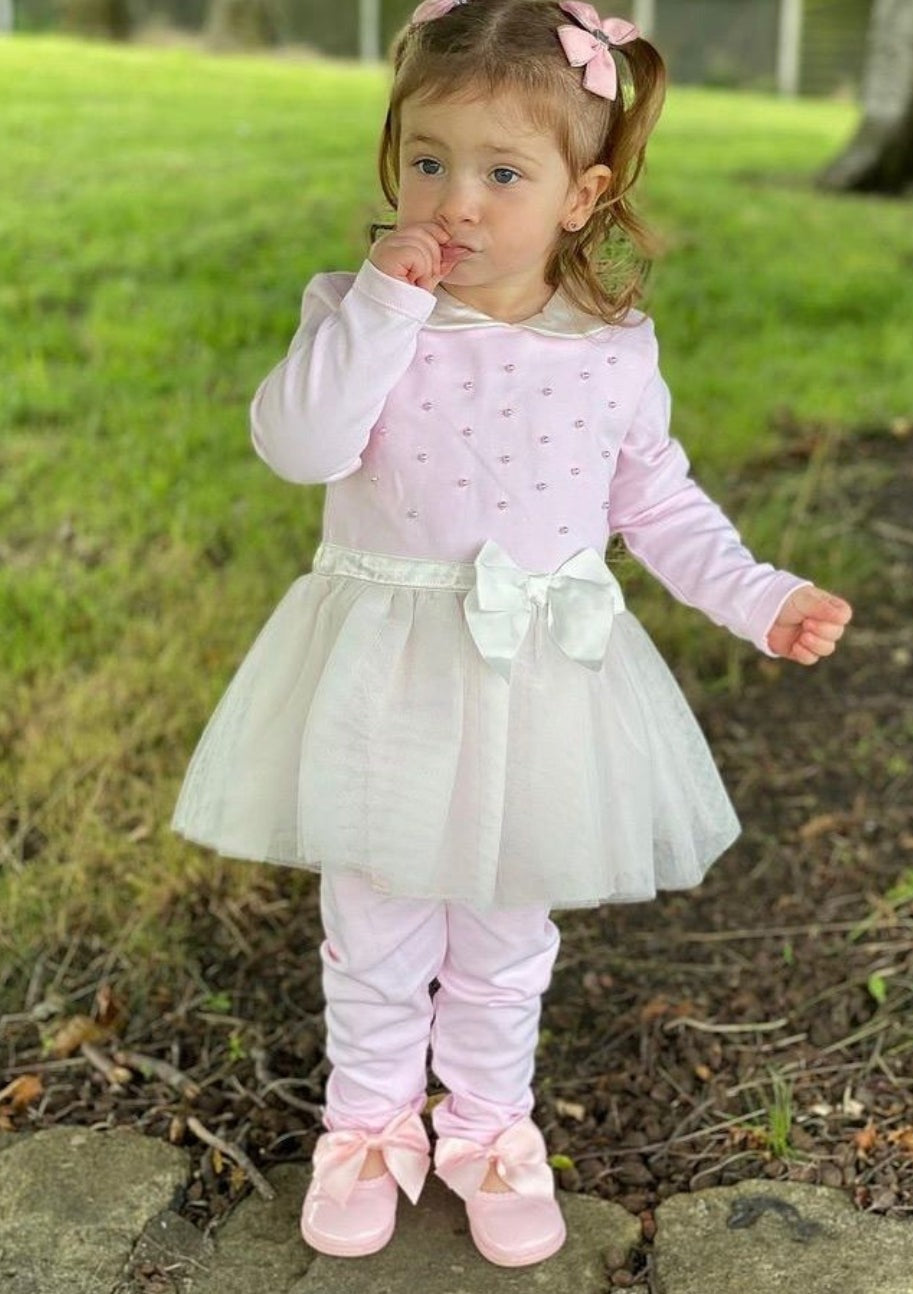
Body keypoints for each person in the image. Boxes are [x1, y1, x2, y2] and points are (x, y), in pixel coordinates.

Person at [171, 0, 852, 1269]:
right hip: (386, 671)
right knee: (375, 921)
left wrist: (758, 594)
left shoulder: (607, 351)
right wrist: (381, 307)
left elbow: (655, 502)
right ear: (393, 160)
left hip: (534, 676)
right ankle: (366, 1123)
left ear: (580, 196)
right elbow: (299, 445)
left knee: (502, 930)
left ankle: (487, 1125)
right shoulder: (357, 314)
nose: (456, 204)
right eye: (428, 162)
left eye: (501, 174)